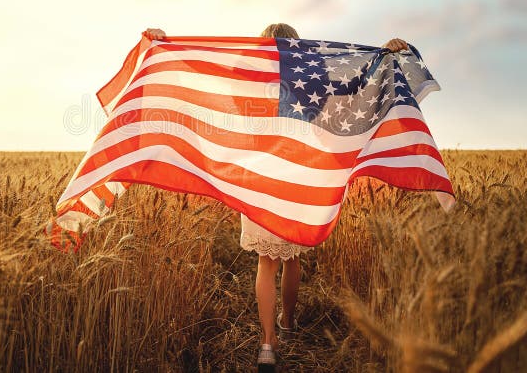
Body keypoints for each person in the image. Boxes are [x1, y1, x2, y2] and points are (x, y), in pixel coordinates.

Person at [142, 25, 408, 371]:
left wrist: (167, 46)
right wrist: (383, 55)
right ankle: (287, 321)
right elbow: (358, 83)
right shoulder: (315, 75)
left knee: (266, 263)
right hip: (297, 179)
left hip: (261, 180)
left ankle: (268, 343)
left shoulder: (247, 73)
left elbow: (206, 71)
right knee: (292, 258)